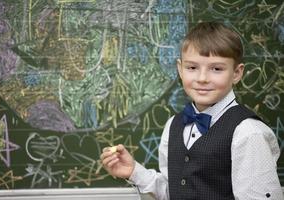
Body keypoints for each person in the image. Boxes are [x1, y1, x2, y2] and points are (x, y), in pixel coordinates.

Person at [100, 22, 283, 200]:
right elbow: (173, 191)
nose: (202, 78)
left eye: (216, 69)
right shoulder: (174, 125)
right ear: (180, 69)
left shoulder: (248, 132)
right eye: (192, 68)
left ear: (236, 73)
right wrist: (134, 171)